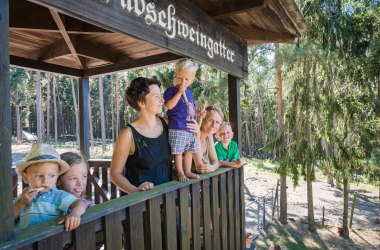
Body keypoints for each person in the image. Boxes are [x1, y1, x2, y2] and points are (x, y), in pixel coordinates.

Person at [110, 77, 200, 194]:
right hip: (139, 207)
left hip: (168, 200)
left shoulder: (169, 124)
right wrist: (136, 192)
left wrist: (197, 133)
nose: (163, 100)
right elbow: (115, 174)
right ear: (141, 102)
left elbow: (188, 150)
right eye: (156, 96)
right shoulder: (128, 134)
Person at [13, 144, 86, 231]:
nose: (45, 181)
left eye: (52, 176)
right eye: (40, 176)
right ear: (25, 178)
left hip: (48, 241)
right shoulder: (23, 197)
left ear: (57, 176)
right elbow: (7, 219)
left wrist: (75, 214)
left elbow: (79, 204)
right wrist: (20, 203)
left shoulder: (58, 195)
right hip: (23, 242)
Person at [164, 59, 202, 181]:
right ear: (176, 75)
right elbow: (169, 105)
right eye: (180, 78)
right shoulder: (171, 91)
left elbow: (188, 108)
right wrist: (179, 93)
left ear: (192, 79)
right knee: (179, 152)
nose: (183, 82)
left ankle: (187, 171)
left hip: (190, 128)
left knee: (189, 151)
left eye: (187, 79)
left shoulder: (190, 93)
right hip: (178, 127)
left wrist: (198, 112)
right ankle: (180, 172)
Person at [194, 105, 223, 174]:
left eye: (217, 122)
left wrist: (212, 167)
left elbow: (215, 161)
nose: (213, 125)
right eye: (210, 120)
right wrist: (211, 167)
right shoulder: (193, 134)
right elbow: (200, 167)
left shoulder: (209, 136)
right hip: (183, 183)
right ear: (202, 119)